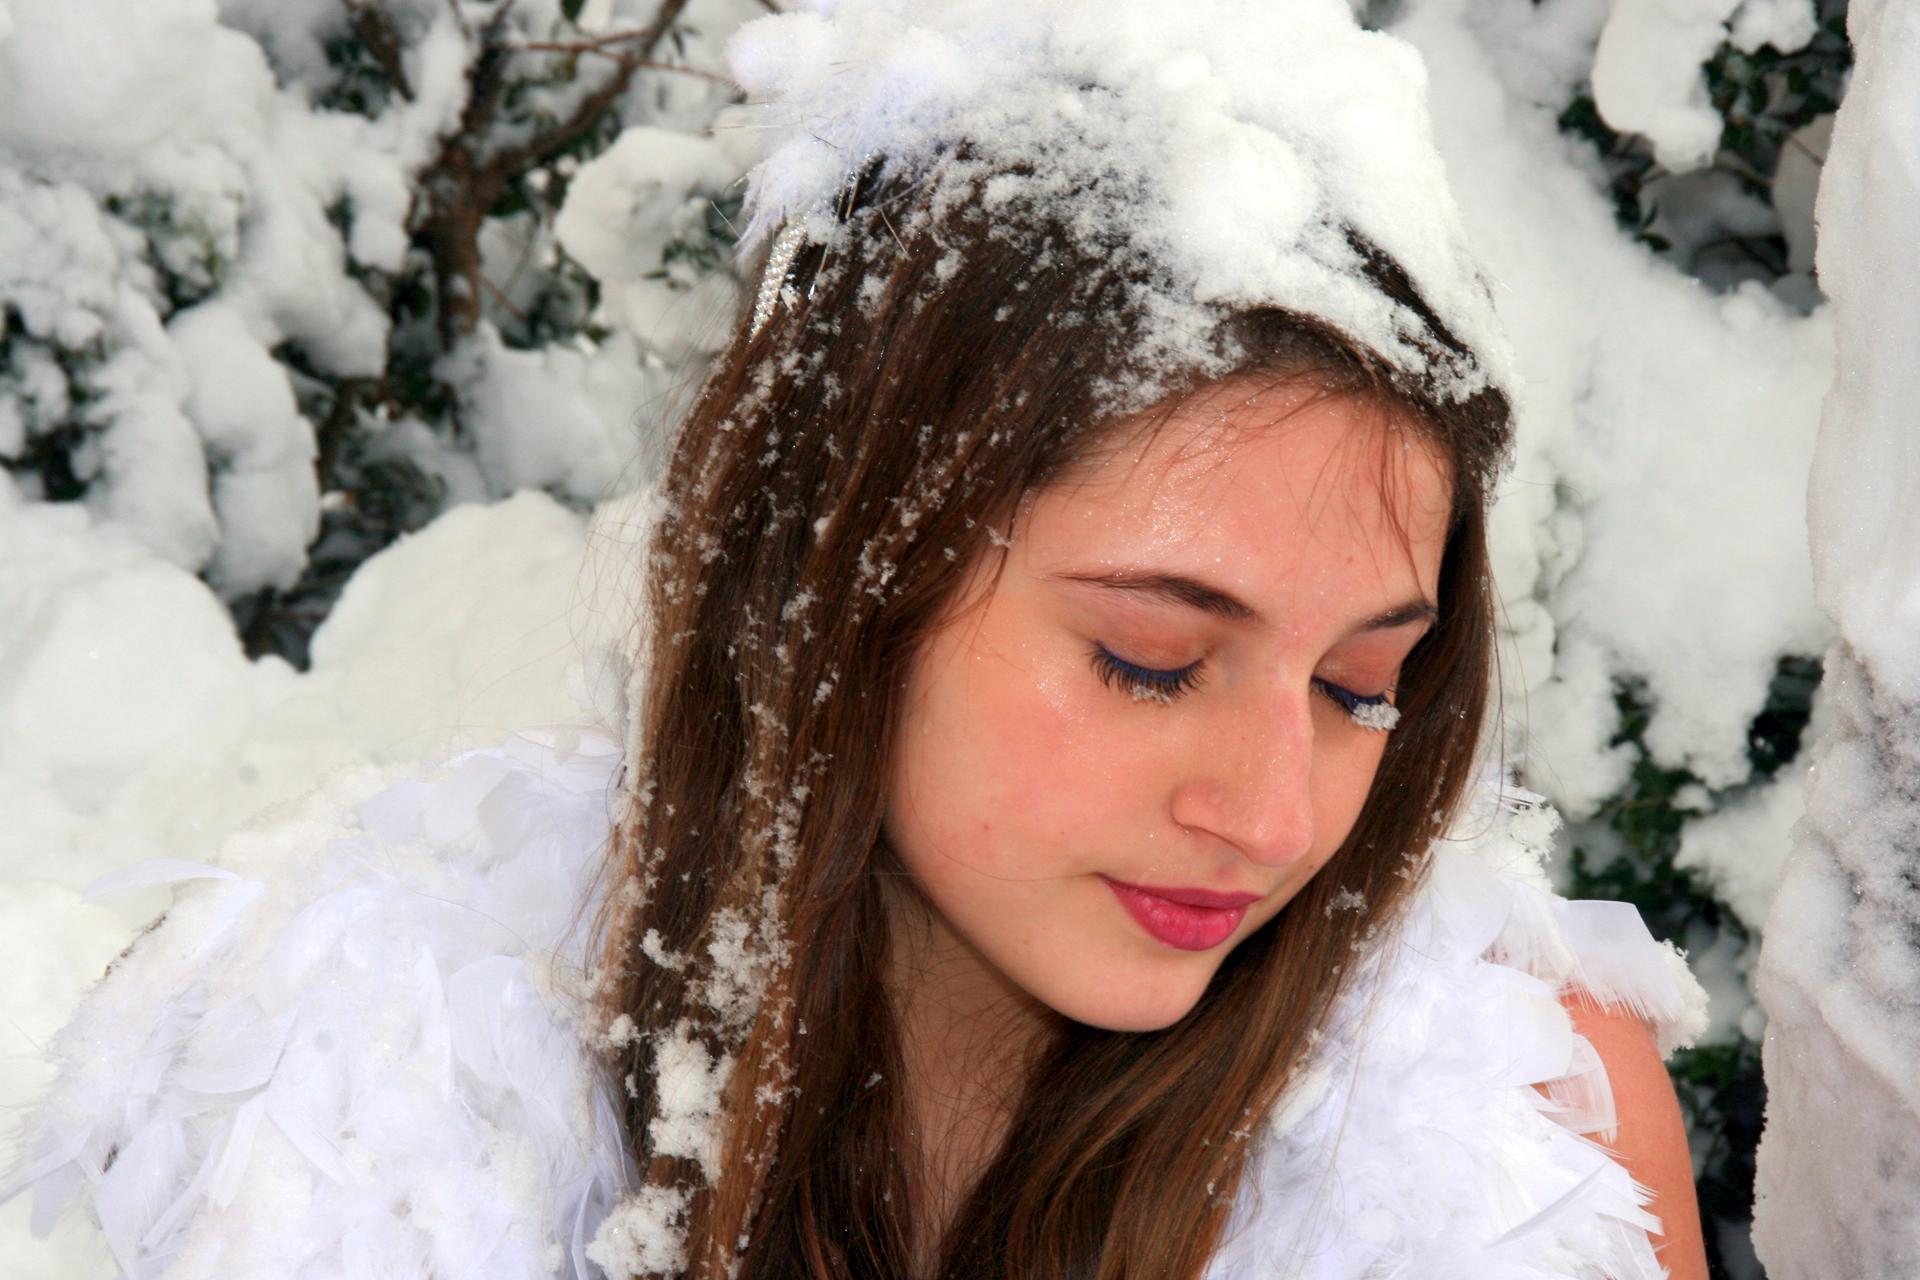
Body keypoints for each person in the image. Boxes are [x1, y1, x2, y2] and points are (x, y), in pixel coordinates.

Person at [9, 2, 1710, 1278]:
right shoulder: (345, 1083)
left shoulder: (1533, 1135)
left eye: (1361, 686)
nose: (1274, 814)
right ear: (833, 585)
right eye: (1150, 659)